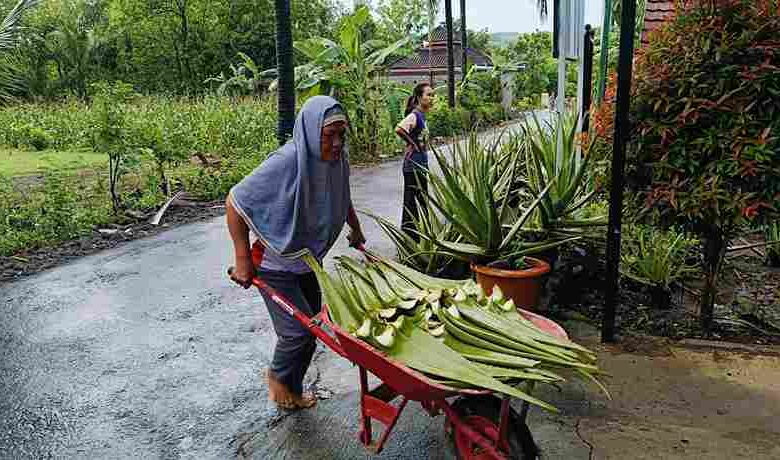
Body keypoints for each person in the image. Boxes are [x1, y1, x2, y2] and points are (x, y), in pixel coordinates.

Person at [226, 96, 366, 410]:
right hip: (275, 263)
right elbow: (235, 201)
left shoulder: (337, 160)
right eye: (329, 135)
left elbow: (342, 196)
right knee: (297, 334)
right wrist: (242, 261)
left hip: (307, 262)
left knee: (312, 328)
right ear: (311, 130)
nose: (337, 143)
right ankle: (277, 380)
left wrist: (355, 229)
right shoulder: (288, 160)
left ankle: (293, 389)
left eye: (341, 134)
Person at [395, 82, 434, 239]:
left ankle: (420, 233)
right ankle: (413, 235)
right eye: (428, 95)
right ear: (419, 97)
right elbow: (399, 129)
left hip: (421, 164)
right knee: (413, 200)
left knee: (421, 198)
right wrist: (412, 143)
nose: (431, 98)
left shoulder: (422, 116)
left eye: (432, 95)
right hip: (413, 165)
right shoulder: (414, 115)